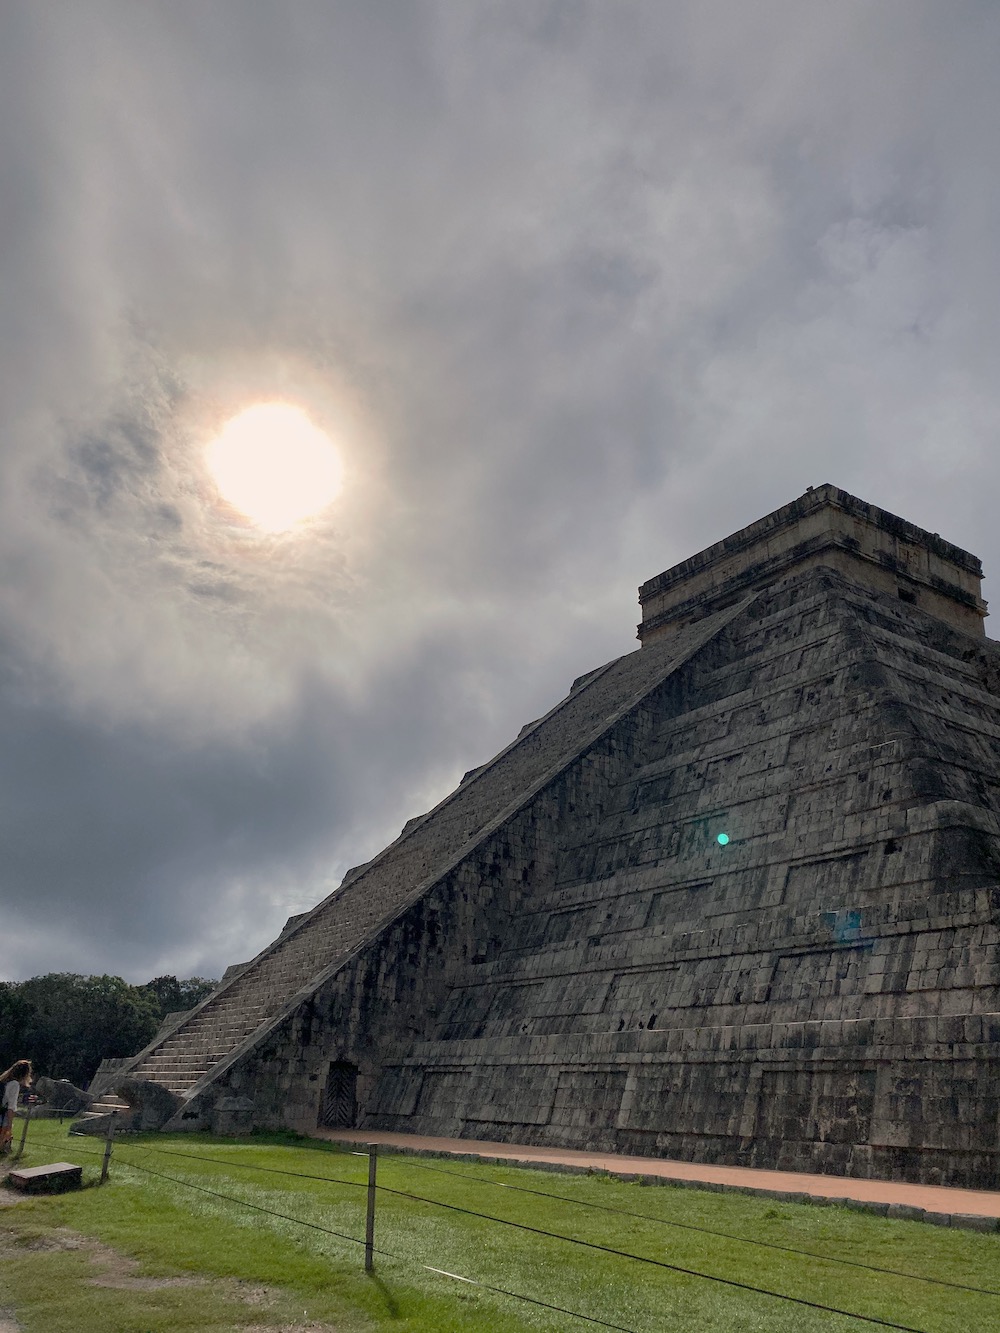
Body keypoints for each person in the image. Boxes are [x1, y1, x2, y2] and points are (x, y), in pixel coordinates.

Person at [0, 1060, 32, 1154]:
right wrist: (9, 1125)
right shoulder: (14, 1084)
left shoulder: (2, 1081)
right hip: (2, 1115)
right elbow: (11, 1106)